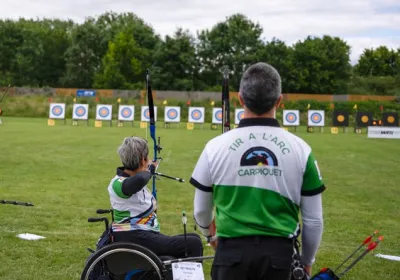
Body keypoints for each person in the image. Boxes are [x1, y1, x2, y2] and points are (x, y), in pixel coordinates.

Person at [190, 62, 325, 280]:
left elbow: (200, 211)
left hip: (230, 257)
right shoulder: (301, 149)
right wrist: (307, 262)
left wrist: (210, 235)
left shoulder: (214, 147)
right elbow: (314, 220)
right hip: (280, 259)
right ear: (279, 101)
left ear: (240, 99)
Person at [108, 136, 203, 259]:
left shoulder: (133, 179)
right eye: (146, 159)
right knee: (193, 244)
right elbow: (139, 180)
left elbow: (139, 180)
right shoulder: (117, 183)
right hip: (134, 236)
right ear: (143, 160)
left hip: (142, 234)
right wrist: (150, 169)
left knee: (194, 238)